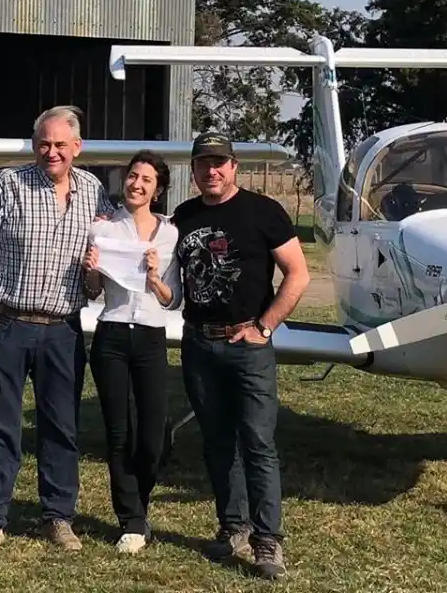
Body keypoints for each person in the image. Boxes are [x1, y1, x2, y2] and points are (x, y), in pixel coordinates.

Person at [0, 104, 115, 555]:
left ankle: (58, 517)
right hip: (9, 322)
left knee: (61, 426)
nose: (51, 152)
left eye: (60, 144)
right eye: (44, 144)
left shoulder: (93, 191)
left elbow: (108, 248)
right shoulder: (10, 182)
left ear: (77, 147)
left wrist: (101, 270)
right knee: (1, 424)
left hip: (63, 328)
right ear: (34, 144)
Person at [171, 131, 310, 580]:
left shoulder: (264, 212)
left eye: (220, 162)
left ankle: (267, 540)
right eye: (203, 163)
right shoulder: (184, 216)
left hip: (247, 346)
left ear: (234, 166)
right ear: (193, 170)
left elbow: (298, 274)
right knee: (216, 441)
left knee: (257, 442)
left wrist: (264, 327)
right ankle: (233, 526)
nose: (211, 170)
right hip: (199, 343)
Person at [81, 149, 183, 555]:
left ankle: (139, 503)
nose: (136, 184)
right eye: (132, 176)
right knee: (119, 432)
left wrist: (155, 278)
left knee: (153, 434)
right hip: (111, 335)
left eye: (146, 180)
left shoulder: (170, 234)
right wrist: (91, 269)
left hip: (151, 337)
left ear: (157, 190)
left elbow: (173, 300)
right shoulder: (103, 229)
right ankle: (132, 519)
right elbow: (92, 292)